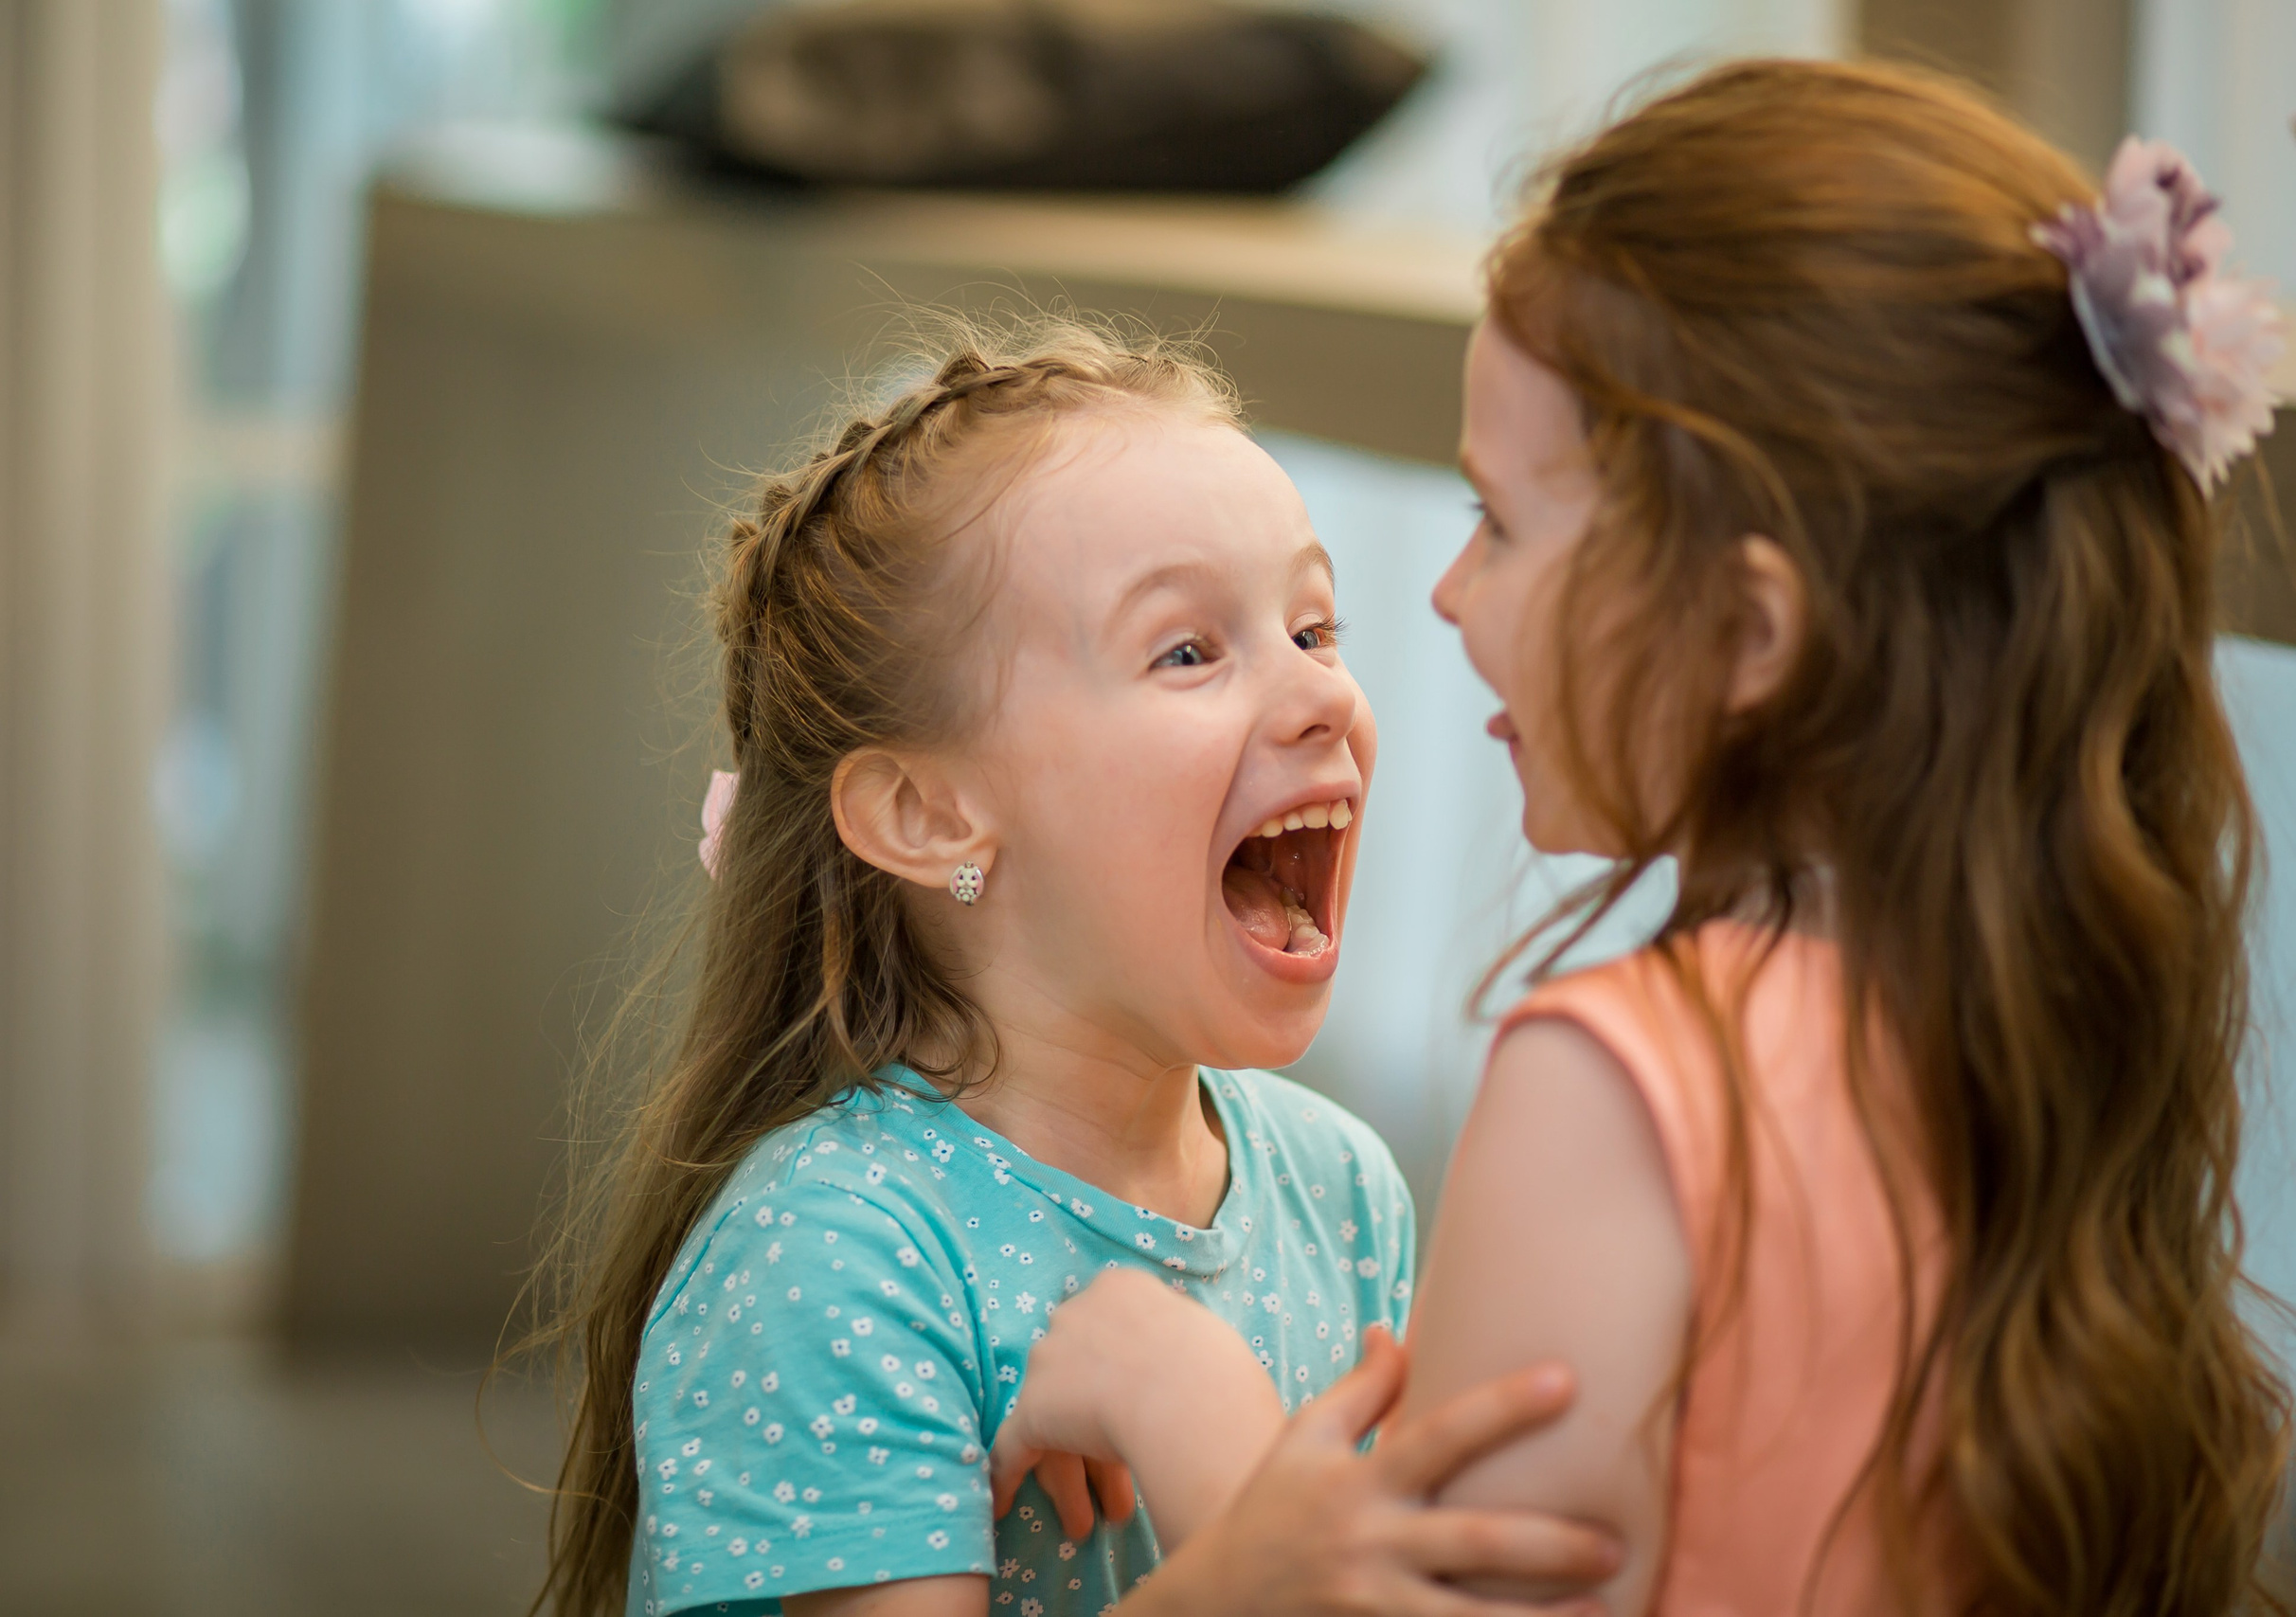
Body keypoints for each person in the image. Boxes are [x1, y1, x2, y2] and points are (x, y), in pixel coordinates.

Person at [993, 60, 2296, 1617]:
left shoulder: (1614, 1094)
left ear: (1748, 629)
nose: (1448, 595)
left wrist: (1186, 1407)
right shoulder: (2044, 1023)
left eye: (1502, 522)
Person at [529, 319, 1625, 1617]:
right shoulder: (832, 1254)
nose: (1323, 695)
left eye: (1314, 629)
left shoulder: (1343, 1189)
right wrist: (1223, 1527)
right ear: (930, 816)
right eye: (1187, 651)